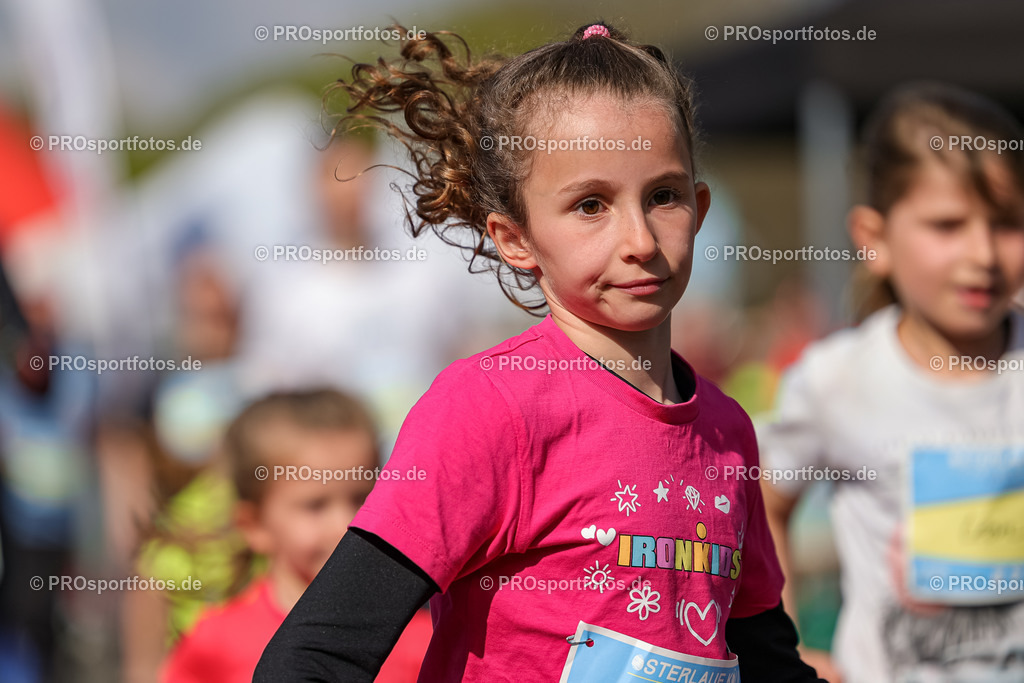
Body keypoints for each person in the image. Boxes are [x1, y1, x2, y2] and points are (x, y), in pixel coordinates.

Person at [254, 22, 824, 682]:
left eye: (662, 195)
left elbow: (769, 661)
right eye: (590, 204)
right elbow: (314, 658)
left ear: (698, 209)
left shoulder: (728, 431)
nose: (640, 238)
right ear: (515, 238)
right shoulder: (489, 409)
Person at [760, 83, 1024, 682]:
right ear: (874, 240)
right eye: (948, 225)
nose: (982, 253)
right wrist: (791, 648)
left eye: (1006, 223)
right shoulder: (837, 380)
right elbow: (764, 502)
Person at [160, 389, 431, 683]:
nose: (346, 524)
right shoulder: (214, 643)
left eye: (362, 498)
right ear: (254, 525)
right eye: (315, 505)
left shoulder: (423, 639)